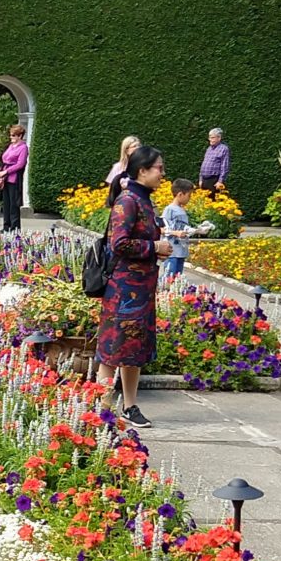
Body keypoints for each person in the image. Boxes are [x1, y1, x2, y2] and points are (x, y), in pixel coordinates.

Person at [98, 143, 173, 431]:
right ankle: (102, 410)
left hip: (141, 288)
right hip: (123, 289)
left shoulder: (143, 200)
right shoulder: (128, 200)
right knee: (113, 348)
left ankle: (129, 406)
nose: (163, 174)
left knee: (134, 349)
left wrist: (156, 250)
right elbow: (118, 243)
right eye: (159, 168)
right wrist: (154, 246)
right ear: (142, 171)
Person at [161, 178, 197, 286]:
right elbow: (162, 228)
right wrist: (175, 233)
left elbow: (183, 227)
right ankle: (162, 292)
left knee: (177, 277)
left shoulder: (181, 210)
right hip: (172, 250)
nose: (189, 199)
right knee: (169, 276)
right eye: (189, 195)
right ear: (180, 194)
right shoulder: (170, 209)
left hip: (181, 249)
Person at [0, 123, 28, 233]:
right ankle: (6, 225)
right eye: (11, 135)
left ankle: (15, 227)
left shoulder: (23, 147)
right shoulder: (10, 146)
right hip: (5, 177)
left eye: (14, 135)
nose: (12, 137)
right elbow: (4, 159)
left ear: (20, 136)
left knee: (14, 203)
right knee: (6, 203)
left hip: (14, 178)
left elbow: (20, 164)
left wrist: (6, 171)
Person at [198, 128, 230, 194]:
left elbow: (224, 167)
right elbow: (203, 165)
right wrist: (201, 180)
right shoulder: (209, 149)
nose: (210, 140)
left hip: (214, 181)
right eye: (209, 137)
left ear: (219, 138)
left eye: (212, 137)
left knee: (212, 202)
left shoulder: (223, 149)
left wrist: (220, 181)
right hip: (204, 180)